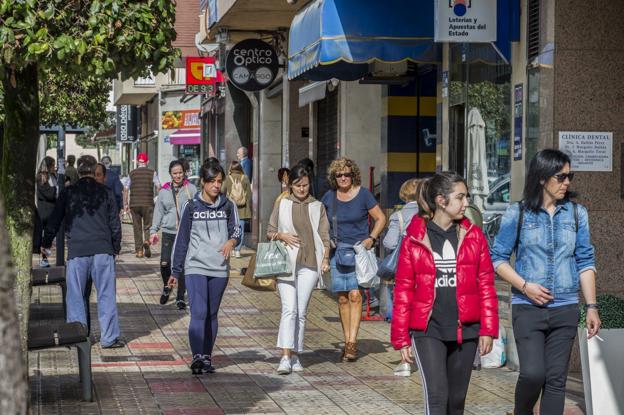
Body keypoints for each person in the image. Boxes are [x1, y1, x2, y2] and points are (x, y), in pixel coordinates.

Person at [490, 150, 600, 415]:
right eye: (560, 176)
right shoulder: (517, 213)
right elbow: (498, 259)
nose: (567, 182)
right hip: (528, 306)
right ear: (541, 178)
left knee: (556, 380)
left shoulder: (576, 214)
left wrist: (592, 306)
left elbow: (585, 261)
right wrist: (525, 285)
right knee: (532, 374)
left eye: (569, 176)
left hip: (565, 307)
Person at [391, 172, 498, 415]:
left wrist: (488, 329)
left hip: (466, 329)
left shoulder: (474, 236)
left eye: (466, 197)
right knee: (438, 397)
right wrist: (401, 337)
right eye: (460, 197)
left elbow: (486, 285)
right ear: (441, 200)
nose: (466, 203)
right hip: (428, 330)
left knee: (456, 401)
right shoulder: (415, 238)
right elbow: (404, 290)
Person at [41, 155, 124, 348]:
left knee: (76, 295)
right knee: (106, 295)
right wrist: (116, 246)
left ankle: (77, 336)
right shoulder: (106, 192)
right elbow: (115, 222)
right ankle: (109, 338)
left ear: (78, 171)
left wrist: (45, 243)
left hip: (77, 250)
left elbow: (54, 221)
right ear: (94, 170)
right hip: (103, 250)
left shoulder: (68, 193)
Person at [170, 161, 241, 375]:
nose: (216, 185)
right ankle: (197, 357)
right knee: (198, 312)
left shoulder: (228, 206)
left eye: (219, 181)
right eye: (211, 181)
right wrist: (175, 271)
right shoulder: (191, 206)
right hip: (195, 266)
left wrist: (232, 242)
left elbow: (237, 231)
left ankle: (207, 357)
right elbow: (182, 240)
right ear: (203, 181)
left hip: (219, 268)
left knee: (211, 314)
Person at [267, 164, 331, 375]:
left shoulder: (317, 206)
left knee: (301, 312)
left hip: (310, 263)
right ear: (290, 185)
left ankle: (296, 354)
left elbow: (324, 235)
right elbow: (270, 231)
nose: (302, 189)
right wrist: (282, 236)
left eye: (305, 185)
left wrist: (325, 258)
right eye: (297, 185)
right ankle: (285, 356)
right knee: (289, 309)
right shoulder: (283, 203)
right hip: (286, 262)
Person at [321, 157, 386, 361]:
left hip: (359, 253)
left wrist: (372, 238)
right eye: (338, 175)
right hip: (337, 252)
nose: (343, 178)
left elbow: (381, 218)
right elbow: (320, 225)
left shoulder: (364, 195)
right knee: (342, 298)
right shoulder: (329, 197)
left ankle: (352, 343)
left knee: (356, 295)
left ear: (353, 175)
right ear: (334, 177)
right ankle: (346, 337)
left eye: (346, 174)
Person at [382, 178, 423, 377]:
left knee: (403, 312)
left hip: (405, 272)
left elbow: (389, 243)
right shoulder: (430, 215)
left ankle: (405, 361)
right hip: (426, 272)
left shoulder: (398, 216)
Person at [149, 160, 197, 309]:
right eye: (175, 173)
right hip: (169, 232)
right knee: (165, 263)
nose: (178, 175)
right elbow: (158, 212)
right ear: (170, 174)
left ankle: (180, 296)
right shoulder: (164, 191)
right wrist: (153, 231)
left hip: (185, 234)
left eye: (180, 173)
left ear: (184, 173)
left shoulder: (192, 189)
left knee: (181, 265)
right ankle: (167, 286)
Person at [124, 153, 160, 258]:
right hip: (148, 203)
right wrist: (158, 200)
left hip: (134, 204)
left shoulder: (132, 173)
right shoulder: (152, 173)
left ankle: (139, 251)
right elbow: (159, 187)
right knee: (148, 226)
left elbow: (126, 189)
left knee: (137, 227)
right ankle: (147, 242)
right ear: (147, 162)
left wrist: (125, 204)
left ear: (137, 162)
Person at [221, 160, 252, 258]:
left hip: (230, 208)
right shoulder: (245, 178)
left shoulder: (227, 178)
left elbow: (222, 191)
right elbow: (249, 195)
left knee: (230, 229)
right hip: (242, 209)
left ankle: (232, 248)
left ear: (231, 168)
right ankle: (238, 250)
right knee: (240, 230)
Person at [33, 156, 58, 268]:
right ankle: (44, 259)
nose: (55, 167)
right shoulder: (41, 178)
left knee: (49, 237)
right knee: (44, 237)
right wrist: (57, 189)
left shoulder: (53, 176)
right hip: (44, 212)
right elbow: (49, 194)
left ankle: (45, 258)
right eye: (53, 165)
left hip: (52, 210)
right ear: (48, 166)